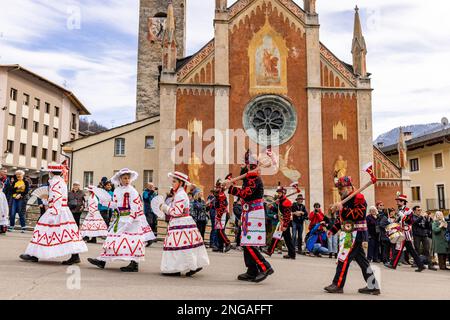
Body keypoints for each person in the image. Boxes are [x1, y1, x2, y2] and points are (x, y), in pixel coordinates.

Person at [88, 168, 155, 272]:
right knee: (111, 239)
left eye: (128, 178)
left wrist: (130, 220)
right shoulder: (117, 190)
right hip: (121, 219)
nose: (127, 180)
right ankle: (102, 260)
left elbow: (136, 207)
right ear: (120, 179)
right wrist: (104, 201)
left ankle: (134, 264)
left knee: (133, 242)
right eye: (124, 178)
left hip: (132, 221)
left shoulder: (132, 191)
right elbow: (116, 205)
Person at [19, 163, 88, 265]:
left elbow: (57, 198)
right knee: (67, 232)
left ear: (50, 172)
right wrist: (48, 202)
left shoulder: (54, 182)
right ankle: (74, 256)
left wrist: (53, 211)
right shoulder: (61, 181)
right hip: (63, 210)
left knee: (43, 229)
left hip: (57, 210)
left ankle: (34, 255)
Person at [324, 176, 380, 295]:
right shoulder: (344, 199)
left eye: (341, 188)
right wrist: (333, 230)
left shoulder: (358, 197)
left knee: (343, 258)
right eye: (338, 188)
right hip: (349, 232)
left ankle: (338, 285)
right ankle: (373, 286)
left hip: (355, 234)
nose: (339, 190)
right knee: (362, 261)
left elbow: (359, 214)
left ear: (349, 187)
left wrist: (343, 209)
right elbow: (342, 220)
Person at [224, 151, 274, 283]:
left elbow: (247, 194)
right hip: (249, 213)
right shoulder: (249, 178)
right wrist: (232, 183)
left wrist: (231, 188)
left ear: (248, 165)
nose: (242, 165)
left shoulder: (254, 179)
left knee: (250, 243)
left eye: (244, 163)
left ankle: (265, 267)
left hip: (254, 213)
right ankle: (252, 270)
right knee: (245, 243)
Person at [158, 171, 210, 277]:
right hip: (181, 222)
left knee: (181, 246)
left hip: (180, 222)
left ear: (181, 183)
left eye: (174, 181)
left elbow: (177, 212)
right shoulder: (180, 194)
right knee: (183, 246)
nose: (172, 183)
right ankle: (184, 266)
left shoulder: (180, 195)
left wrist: (164, 208)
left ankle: (183, 267)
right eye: (172, 181)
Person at [385, 194, 425, 272]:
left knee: (398, 248)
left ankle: (393, 264)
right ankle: (420, 265)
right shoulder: (399, 210)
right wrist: (393, 221)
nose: (397, 203)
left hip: (405, 232)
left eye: (398, 201)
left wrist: (403, 216)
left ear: (403, 202)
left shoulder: (408, 210)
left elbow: (410, 221)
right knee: (410, 249)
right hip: (401, 231)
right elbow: (398, 221)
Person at [263, 186, 296, 259]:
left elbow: (287, 215)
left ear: (283, 193)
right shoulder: (281, 201)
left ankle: (271, 251)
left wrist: (285, 225)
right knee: (285, 239)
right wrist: (271, 207)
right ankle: (291, 254)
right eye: (278, 193)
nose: (278, 194)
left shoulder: (286, 202)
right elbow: (279, 211)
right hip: (281, 222)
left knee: (283, 238)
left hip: (284, 223)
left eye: (280, 193)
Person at [412, 206, 436, 270]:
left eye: (420, 210)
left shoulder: (422, 217)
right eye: (418, 210)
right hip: (417, 235)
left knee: (427, 250)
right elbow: (415, 223)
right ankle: (416, 263)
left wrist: (428, 219)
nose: (420, 211)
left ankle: (430, 265)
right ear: (414, 211)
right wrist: (422, 217)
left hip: (424, 235)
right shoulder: (413, 217)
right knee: (417, 249)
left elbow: (427, 226)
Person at [213, 179, 231, 253]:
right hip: (219, 214)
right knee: (218, 231)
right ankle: (220, 247)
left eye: (217, 187)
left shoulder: (221, 195)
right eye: (216, 187)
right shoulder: (218, 195)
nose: (216, 189)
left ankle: (227, 243)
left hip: (222, 214)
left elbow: (223, 206)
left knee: (220, 230)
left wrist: (218, 216)